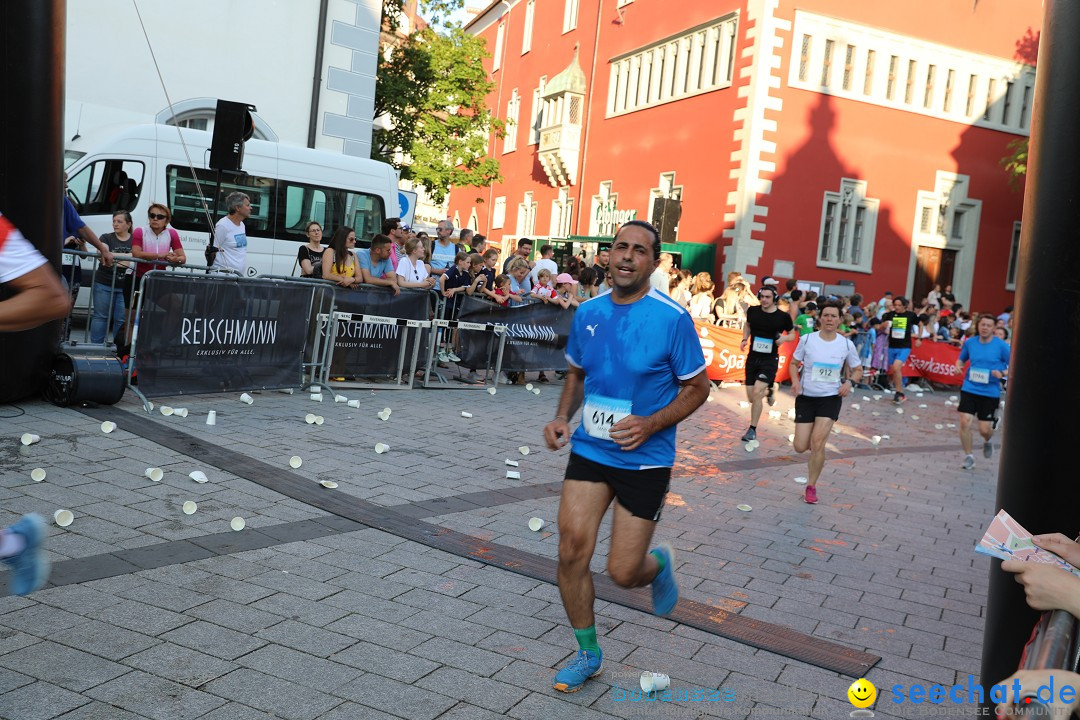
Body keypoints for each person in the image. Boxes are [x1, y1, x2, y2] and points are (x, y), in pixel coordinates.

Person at [543, 220, 709, 693]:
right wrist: (562, 418)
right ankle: (588, 652)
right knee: (571, 548)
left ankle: (657, 564)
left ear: (653, 263)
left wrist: (651, 422)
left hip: (646, 458)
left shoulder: (672, 318)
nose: (626, 257)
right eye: (620, 247)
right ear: (608, 254)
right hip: (592, 451)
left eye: (639, 251)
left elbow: (698, 388)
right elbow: (576, 374)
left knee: (622, 572)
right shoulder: (589, 312)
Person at [789, 299, 862, 504]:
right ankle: (814, 453)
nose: (830, 319)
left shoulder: (846, 344)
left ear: (840, 320)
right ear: (820, 317)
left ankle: (811, 486)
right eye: (826, 315)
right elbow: (794, 364)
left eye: (834, 316)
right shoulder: (807, 340)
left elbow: (858, 370)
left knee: (817, 442)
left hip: (830, 398)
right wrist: (795, 381)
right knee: (800, 446)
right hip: (806, 397)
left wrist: (848, 383)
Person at [739, 285, 796, 440]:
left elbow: (792, 334)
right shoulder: (753, 311)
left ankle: (752, 430)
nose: (764, 300)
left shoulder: (782, 317)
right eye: (762, 296)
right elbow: (748, 325)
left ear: (774, 298)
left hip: (769, 359)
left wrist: (783, 339)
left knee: (757, 392)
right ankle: (770, 388)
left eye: (768, 297)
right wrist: (745, 339)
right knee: (752, 397)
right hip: (752, 358)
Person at [955, 313, 1010, 470]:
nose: (985, 327)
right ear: (978, 326)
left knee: (984, 430)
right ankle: (969, 456)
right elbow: (961, 359)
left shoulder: (1001, 346)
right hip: (969, 387)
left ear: (993, 328)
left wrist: (1002, 374)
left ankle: (988, 440)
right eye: (982, 324)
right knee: (965, 421)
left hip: (989, 392)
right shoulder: (970, 343)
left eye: (988, 325)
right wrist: (958, 366)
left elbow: (1013, 364)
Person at [90, 210, 134, 343]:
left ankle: (117, 350)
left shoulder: (135, 240)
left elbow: (128, 262)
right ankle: (95, 350)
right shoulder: (106, 237)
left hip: (125, 286)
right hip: (103, 283)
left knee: (121, 319)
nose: (115, 224)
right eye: (114, 221)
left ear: (128, 224)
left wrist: (111, 256)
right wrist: (128, 257)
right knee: (100, 317)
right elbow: (102, 256)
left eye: (119, 221)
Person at [880, 296, 921, 403]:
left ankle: (899, 392)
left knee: (896, 367)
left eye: (899, 305)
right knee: (893, 369)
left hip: (905, 346)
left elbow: (921, 324)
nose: (897, 307)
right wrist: (883, 326)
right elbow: (880, 328)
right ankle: (899, 391)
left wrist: (919, 338)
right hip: (892, 346)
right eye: (895, 305)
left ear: (904, 306)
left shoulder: (910, 315)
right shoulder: (890, 315)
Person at [209, 191, 251, 274]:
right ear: (238, 208)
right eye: (247, 205)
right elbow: (212, 251)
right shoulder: (222, 225)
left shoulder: (242, 225)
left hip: (237, 277)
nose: (250, 208)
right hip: (222, 278)